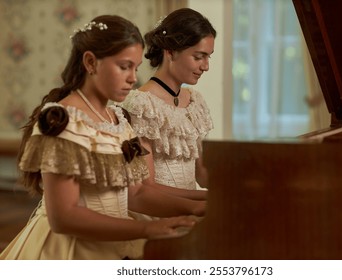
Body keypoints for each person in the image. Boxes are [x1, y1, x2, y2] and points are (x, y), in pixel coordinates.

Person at [0, 15, 206, 260]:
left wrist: (196, 206)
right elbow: (63, 218)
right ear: (90, 62)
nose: (132, 78)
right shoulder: (61, 122)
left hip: (112, 243)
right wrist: (147, 228)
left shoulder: (117, 119)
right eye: (124, 66)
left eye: (136, 68)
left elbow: (137, 193)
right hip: (70, 251)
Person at [119, 8, 216, 203]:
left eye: (208, 57)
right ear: (170, 52)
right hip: (157, 212)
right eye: (198, 57)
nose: (206, 66)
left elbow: (202, 174)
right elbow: (147, 187)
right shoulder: (140, 105)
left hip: (194, 209)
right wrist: (206, 198)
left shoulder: (195, 102)